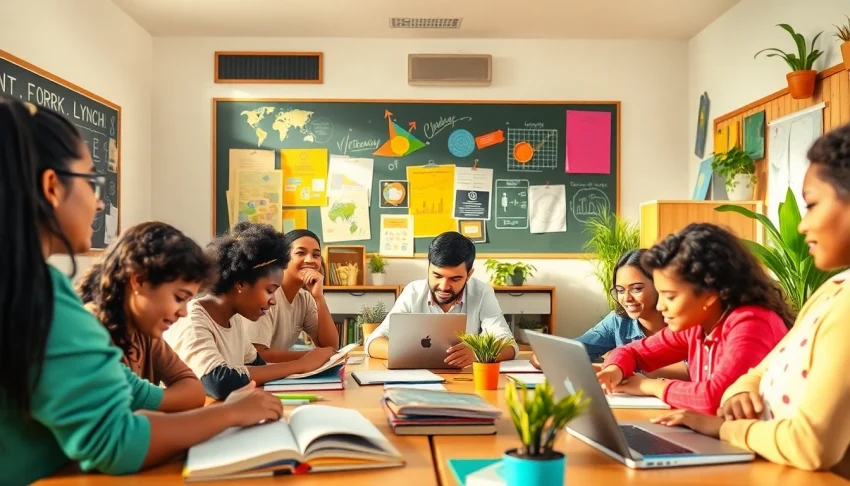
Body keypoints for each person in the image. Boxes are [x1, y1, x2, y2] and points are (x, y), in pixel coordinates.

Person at [0, 97, 282, 485]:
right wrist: (230, 413)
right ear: (52, 187)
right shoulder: (40, 298)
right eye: (92, 181)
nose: (100, 203)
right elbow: (116, 442)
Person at [651, 124, 850, 477]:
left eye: (813, 204)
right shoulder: (834, 288)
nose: (803, 226)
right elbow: (758, 372)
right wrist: (739, 394)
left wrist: (723, 428)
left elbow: (811, 445)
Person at [595, 223, 793, 415]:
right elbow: (633, 352)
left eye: (670, 296)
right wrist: (614, 370)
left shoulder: (752, 324)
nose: (660, 305)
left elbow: (716, 397)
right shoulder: (698, 326)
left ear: (709, 293)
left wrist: (650, 385)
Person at [164, 222, 334, 400]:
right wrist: (301, 364)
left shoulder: (233, 319)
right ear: (240, 283)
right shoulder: (192, 319)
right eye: (269, 290)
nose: (274, 301)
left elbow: (259, 367)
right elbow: (218, 382)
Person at [76, 221, 213, 412]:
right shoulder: (88, 329)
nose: (183, 312)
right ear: (139, 280)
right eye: (179, 298)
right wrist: (143, 402)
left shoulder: (145, 330)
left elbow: (194, 391)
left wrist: (142, 401)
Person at [365, 231, 518, 367]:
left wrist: (478, 352)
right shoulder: (413, 292)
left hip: (465, 382)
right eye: (437, 276)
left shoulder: (482, 292)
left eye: (455, 278)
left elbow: (509, 345)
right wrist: (411, 354)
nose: (444, 286)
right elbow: (373, 343)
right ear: (429, 267)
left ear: (469, 275)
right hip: (418, 383)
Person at [530, 249, 688, 380]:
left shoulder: (687, 321)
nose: (626, 299)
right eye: (620, 290)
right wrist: (548, 355)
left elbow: (694, 370)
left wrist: (618, 368)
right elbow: (580, 348)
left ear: (660, 285)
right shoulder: (619, 321)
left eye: (637, 289)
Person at [245, 229, 339, 363]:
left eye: (316, 255)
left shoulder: (305, 299)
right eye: (300, 253)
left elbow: (330, 347)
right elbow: (257, 355)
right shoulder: (266, 295)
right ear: (283, 258)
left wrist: (319, 297)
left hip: (277, 376)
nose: (310, 260)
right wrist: (311, 356)